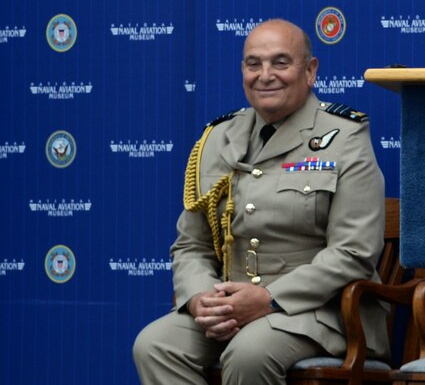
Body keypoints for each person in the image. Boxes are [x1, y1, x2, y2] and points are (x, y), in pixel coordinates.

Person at [133, 19, 389, 385]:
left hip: (319, 312)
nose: (265, 75)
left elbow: (354, 252)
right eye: (254, 64)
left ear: (310, 70)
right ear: (243, 71)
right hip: (231, 309)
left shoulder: (344, 137)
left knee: (250, 351)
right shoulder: (216, 139)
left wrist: (268, 298)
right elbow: (191, 244)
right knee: (155, 345)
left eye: (281, 62)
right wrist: (202, 299)